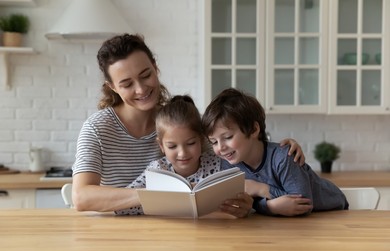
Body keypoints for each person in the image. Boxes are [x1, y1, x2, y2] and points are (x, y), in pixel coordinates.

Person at [72, 33, 304, 216]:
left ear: (155, 67)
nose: (141, 89)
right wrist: (158, 196)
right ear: (112, 87)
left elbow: (234, 155)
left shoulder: (179, 121)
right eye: (127, 84)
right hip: (119, 234)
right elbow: (82, 198)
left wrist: (277, 152)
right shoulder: (97, 129)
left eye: (145, 75)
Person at [201, 88, 349, 216]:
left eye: (227, 137)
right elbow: (249, 205)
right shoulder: (229, 163)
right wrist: (269, 206)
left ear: (253, 129)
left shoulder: (284, 157)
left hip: (334, 213)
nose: (220, 148)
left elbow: (303, 205)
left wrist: (260, 189)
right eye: (213, 142)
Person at [116, 95, 253, 217]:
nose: (182, 153)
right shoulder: (156, 170)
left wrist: (245, 208)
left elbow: (242, 201)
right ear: (161, 146)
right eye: (172, 146)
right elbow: (120, 206)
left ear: (201, 139)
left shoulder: (218, 164)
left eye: (191, 143)